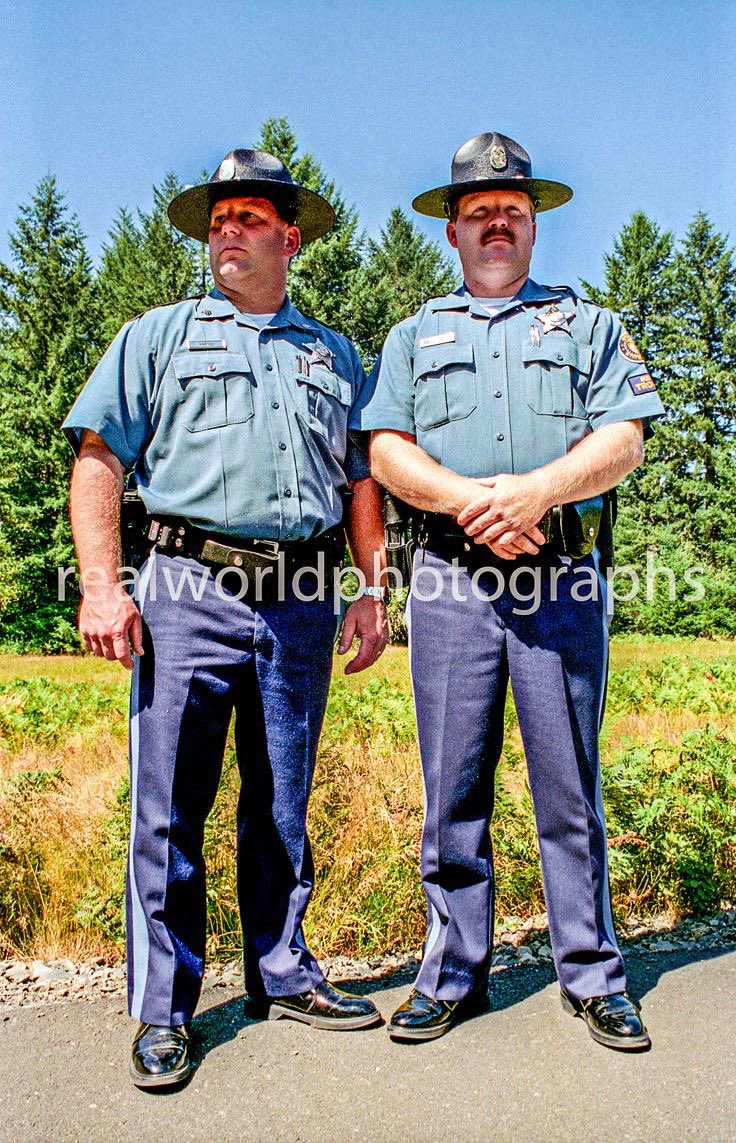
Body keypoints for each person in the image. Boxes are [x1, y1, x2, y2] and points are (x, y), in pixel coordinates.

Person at [62, 149, 388, 1088]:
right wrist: (100, 584)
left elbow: (359, 482)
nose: (229, 230)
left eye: (248, 216)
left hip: (300, 600)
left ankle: (280, 969)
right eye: (218, 219)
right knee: (169, 806)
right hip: (185, 589)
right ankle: (165, 1008)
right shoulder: (156, 337)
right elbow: (98, 459)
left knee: (282, 799)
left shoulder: (336, 355)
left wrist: (370, 588)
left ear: (290, 238)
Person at [363, 132, 664, 1049]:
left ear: (534, 228)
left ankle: (593, 971)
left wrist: (540, 490)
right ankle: (453, 971)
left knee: (568, 785)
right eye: (479, 211)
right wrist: (470, 503)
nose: (497, 223)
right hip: (451, 581)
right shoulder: (414, 334)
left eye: (514, 212)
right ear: (452, 231)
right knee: (452, 786)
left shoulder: (589, 325)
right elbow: (383, 448)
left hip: (562, 577)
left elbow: (627, 437)